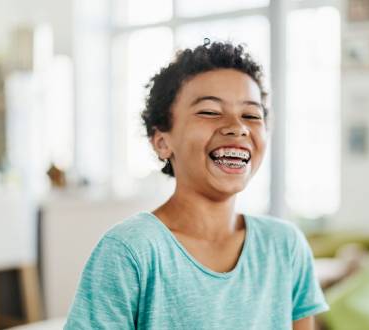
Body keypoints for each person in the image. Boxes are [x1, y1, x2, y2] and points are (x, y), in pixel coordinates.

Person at [64, 40, 329, 329]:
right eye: (210, 111)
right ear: (163, 142)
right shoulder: (129, 251)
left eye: (251, 115)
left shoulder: (286, 246)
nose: (237, 127)